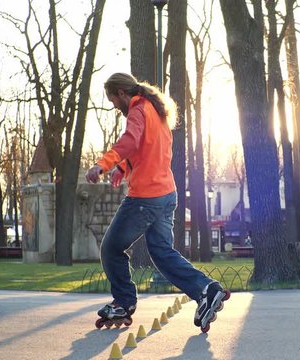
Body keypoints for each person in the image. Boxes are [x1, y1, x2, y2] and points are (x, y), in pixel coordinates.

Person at [86, 73, 230, 331]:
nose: (113, 105)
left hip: (145, 199)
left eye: (112, 99)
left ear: (121, 93)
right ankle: (207, 289)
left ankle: (123, 303)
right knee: (162, 253)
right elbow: (148, 150)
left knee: (110, 248)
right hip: (166, 194)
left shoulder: (138, 110)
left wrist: (104, 164)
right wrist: (123, 169)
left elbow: (130, 140)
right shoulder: (155, 109)